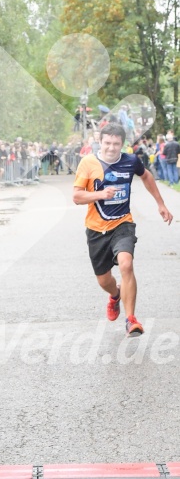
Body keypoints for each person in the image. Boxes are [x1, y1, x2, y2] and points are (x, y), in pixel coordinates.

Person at [73, 123, 173, 337]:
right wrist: (100, 195)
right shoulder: (88, 163)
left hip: (122, 223)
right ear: (100, 142)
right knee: (104, 280)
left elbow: (146, 176)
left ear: (122, 144)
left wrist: (161, 203)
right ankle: (115, 295)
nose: (111, 148)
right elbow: (77, 196)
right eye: (107, 143)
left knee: (126, 264)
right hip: (96, 229)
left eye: (116, 144)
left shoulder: (130, 161)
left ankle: (131, 319)